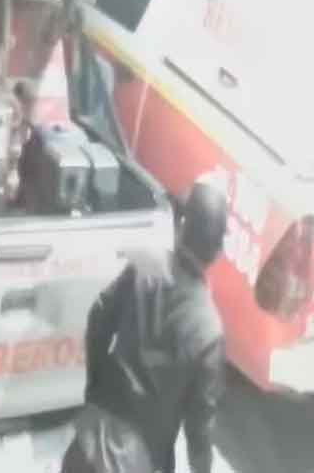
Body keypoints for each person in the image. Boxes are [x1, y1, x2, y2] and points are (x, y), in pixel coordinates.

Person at [63, 179, 230, 473]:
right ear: (218, 252)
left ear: (180, 228)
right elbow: (199, 427)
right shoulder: (209, 331)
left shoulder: (147, 264)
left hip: (87, 444)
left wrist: (96, 389)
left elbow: (99, 317)